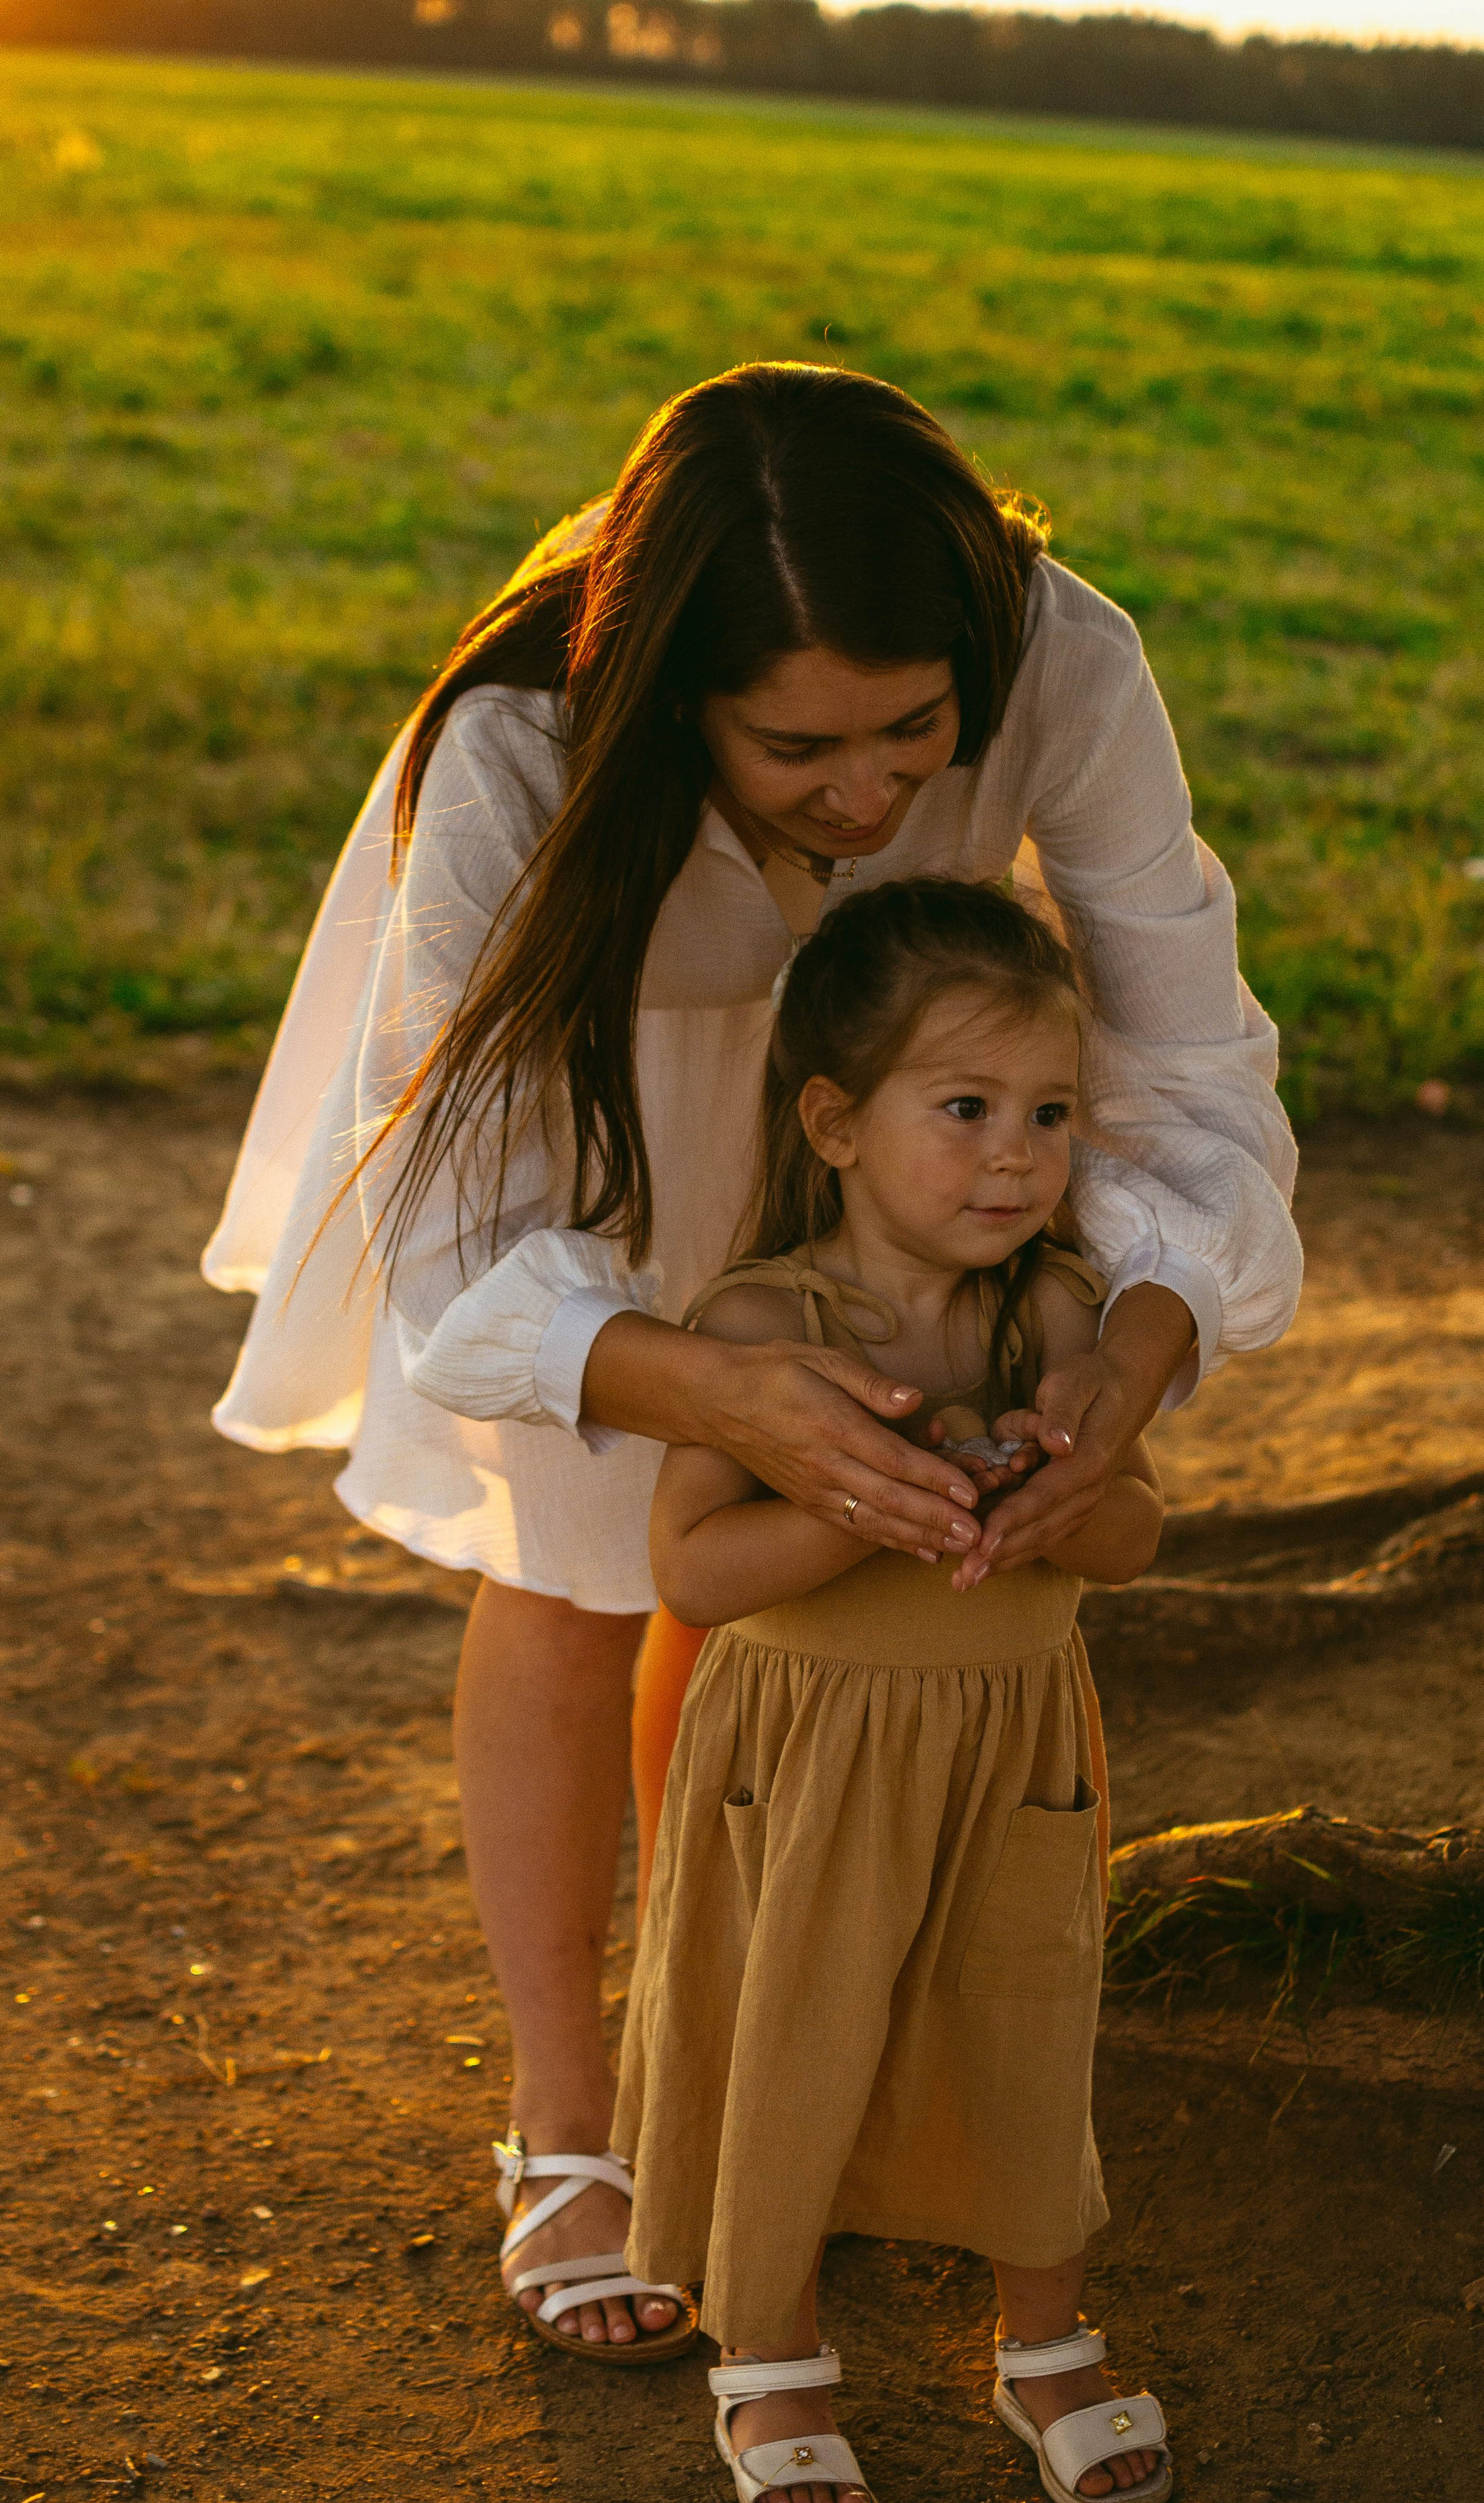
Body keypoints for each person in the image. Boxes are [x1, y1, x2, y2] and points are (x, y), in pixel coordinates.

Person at [201, 363, 1301, 2357]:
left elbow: (1188, 1037)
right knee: (571, 1561)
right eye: (798, 745)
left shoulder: (1065, 648)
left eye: (913, 732)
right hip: (585, 1087)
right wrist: (700, 1382)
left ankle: (736, 2074)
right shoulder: (524, 744)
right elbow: (453, 1238)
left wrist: (1144, 1337)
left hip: (884, 1085)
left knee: (777, 1595)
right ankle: (566, 2122)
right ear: (676, 693)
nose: (869, 793)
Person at [622, 879, 1171, 2503]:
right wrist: (848, 1499)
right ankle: (772, 2352)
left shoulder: (1055, 1315)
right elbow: (693, 1575)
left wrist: (1068, 1493)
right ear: (836, 1122)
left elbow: (1139, 1534)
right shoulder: (761, 1325)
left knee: (1021, 2030)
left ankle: (1043, 2342)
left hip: (1012, 1754)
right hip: (805, 1765)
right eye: (965, 1109)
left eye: (1048, 1114)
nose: (1015, 1154)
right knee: (795, 2045)